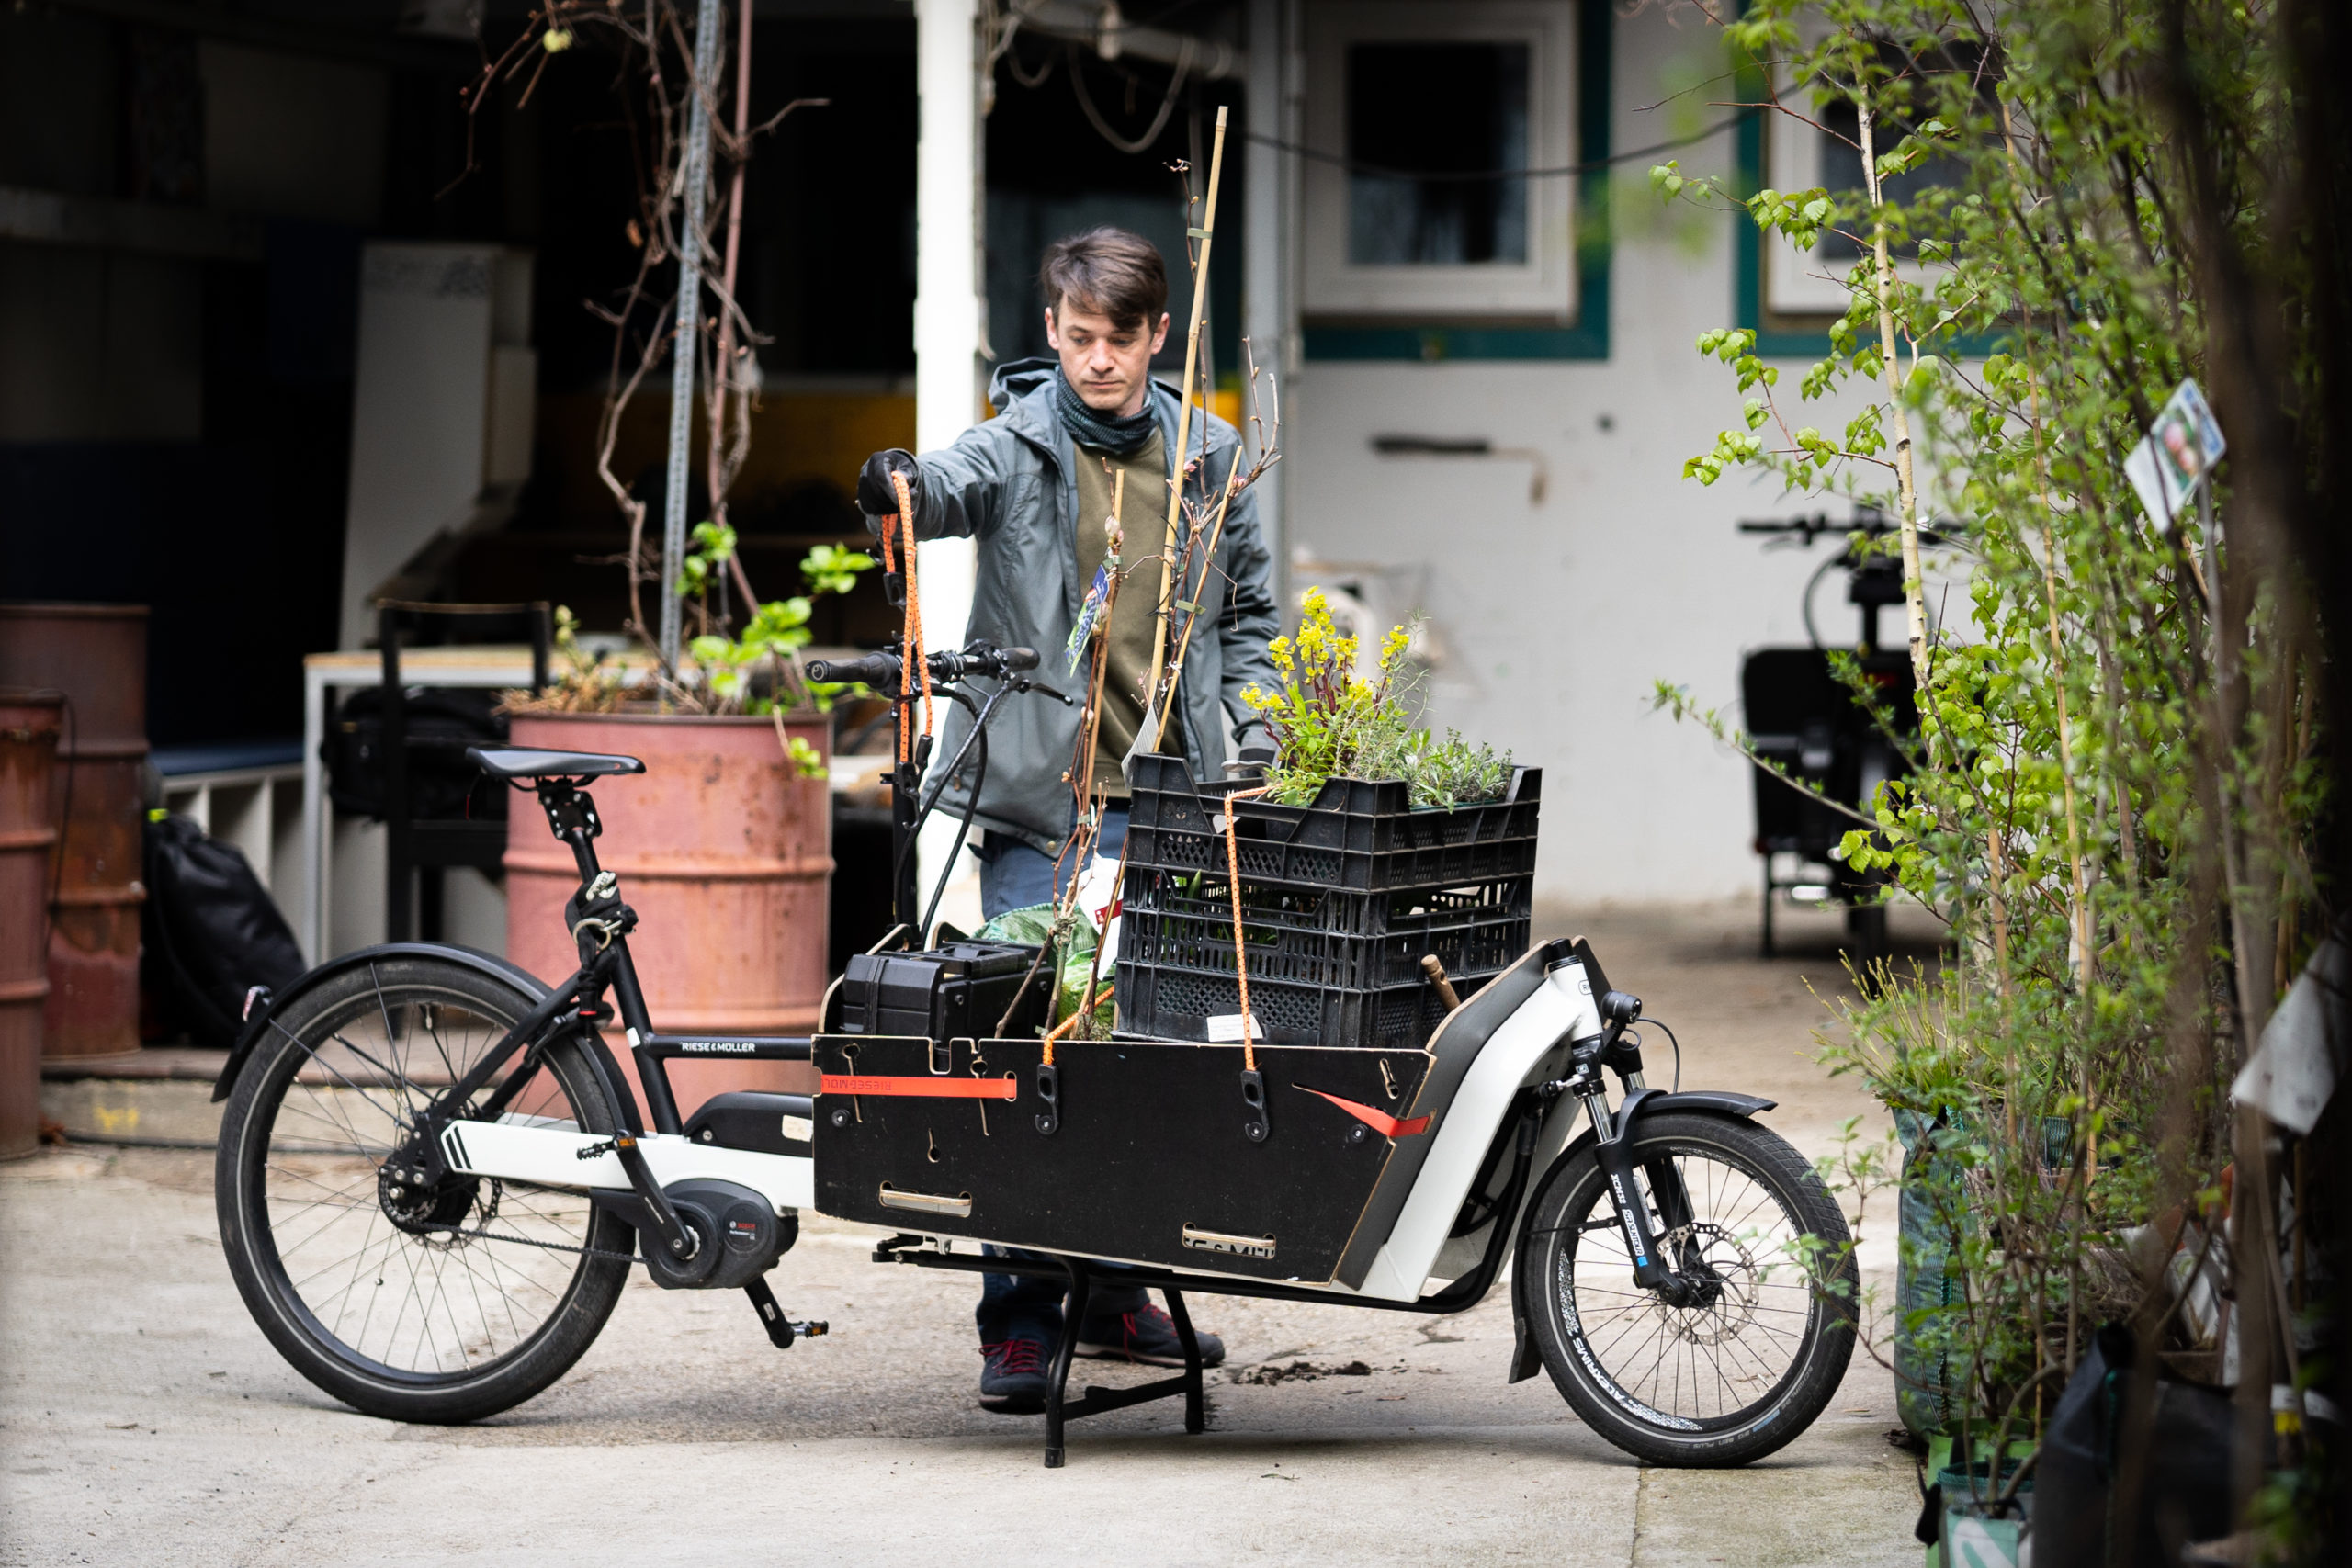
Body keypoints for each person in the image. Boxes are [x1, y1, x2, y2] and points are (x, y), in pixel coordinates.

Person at [856, 226, 1280, 1414]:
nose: (1097, 361)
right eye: (1077, 337)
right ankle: (1021, 1319)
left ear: (1158, 337)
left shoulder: (1209, 454)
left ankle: (1119, 1290)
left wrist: (1254, 726)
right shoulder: (1020, 440)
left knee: (1148, 1060)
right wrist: (901, 482)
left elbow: (1247, 614)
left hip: (1166, 800)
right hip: (1045, 809)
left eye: (1119, 340)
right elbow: (949, 481)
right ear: (1052, 332)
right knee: (1032, 1050)